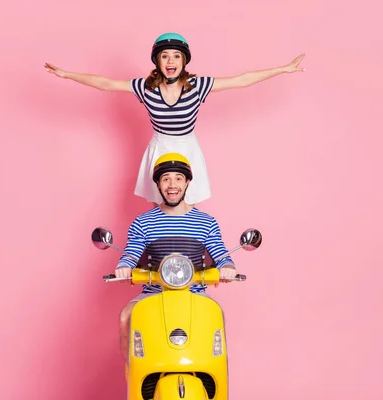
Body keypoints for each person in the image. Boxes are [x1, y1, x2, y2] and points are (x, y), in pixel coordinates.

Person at [45, 32, 305, 205]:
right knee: (164, 204)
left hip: (187, 147)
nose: (171, 60)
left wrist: (283, 69)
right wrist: (68, 75)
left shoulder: (197, 84)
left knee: (187, 204)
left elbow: (242, 80)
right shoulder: (145, 86)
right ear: (158, 61)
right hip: (160, 147)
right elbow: (105, 83)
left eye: (176, 56)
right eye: (165, 56)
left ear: (183, 61)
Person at [112, 152, 237, 362]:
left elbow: (221, 254)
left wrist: (228, 267)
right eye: (166, 178)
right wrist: (124, 266)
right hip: (153, 293)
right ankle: (133, 374)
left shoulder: (206, 222)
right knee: (126, 316)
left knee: (218, 316)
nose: (172, 184)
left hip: (195, 294)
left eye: (178, 178)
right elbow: (131, 253)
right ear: (159, 185)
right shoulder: (143, 223)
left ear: (187, 182)